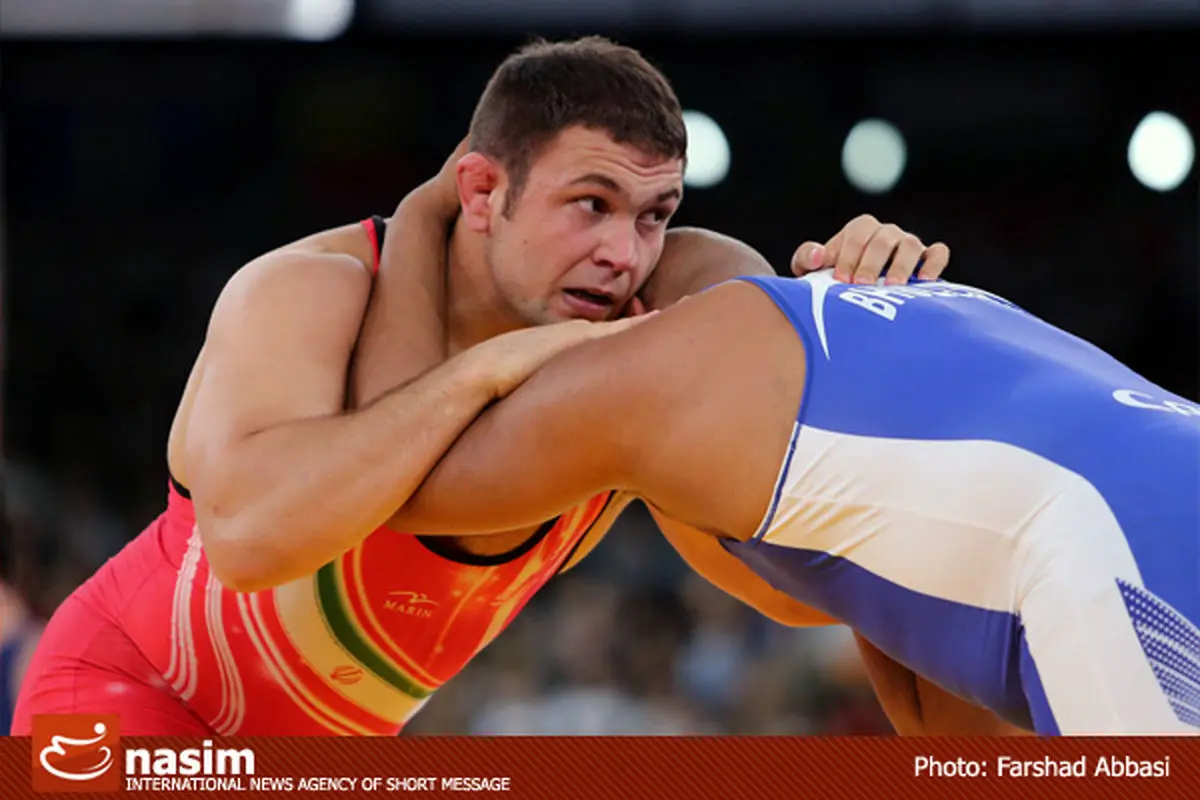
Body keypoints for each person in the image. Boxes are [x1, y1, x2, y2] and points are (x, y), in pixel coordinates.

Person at [12, 37, 950, 736]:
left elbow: (783, 592)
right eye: (591, 204)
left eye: (655, 215)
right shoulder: (310, 290)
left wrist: (851, 318)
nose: (623, 255)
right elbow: (251, 542)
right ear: (479, 192)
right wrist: (484, 371)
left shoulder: (637, 330)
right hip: (130, 696)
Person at [387, 230, 1200, 736]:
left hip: (1112, 544)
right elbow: (959, 731)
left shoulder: (650, 388)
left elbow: (387, 494)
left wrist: (423, 245)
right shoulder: (903, 319)